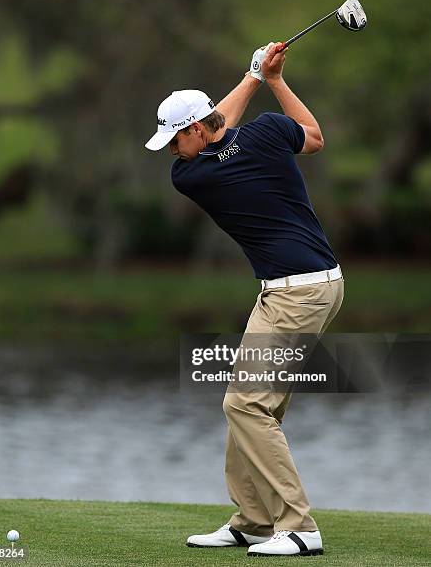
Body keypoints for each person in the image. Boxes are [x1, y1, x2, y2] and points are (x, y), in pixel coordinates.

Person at [145, 42, 344, 557]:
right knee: (250, 407)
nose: (171, 151)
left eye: (174, 138)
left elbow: (219, 127)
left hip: (299, 291)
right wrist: (271, 80)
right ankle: (254, 520)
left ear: (194, 129)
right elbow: (314, 138)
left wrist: (255, 76)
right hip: (304, 287)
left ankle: (298, 526)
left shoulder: (193, 173)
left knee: (246, 404)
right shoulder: (265, 134)